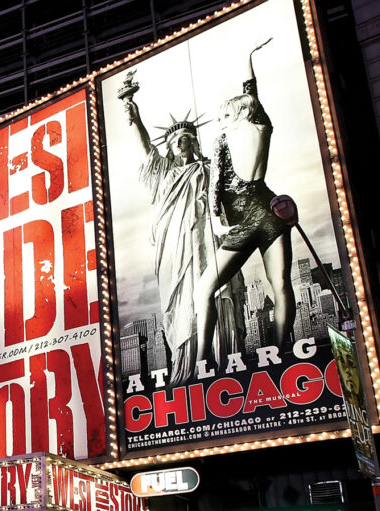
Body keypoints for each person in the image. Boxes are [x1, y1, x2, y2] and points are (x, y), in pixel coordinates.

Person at [197, 37, 294, 363]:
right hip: (270, 210)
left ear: (239, 112)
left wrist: (214, 219)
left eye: (225, 112)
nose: (220, 117)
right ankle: (282, 353)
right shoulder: (261, 126)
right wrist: (247, 57)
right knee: (280, 285)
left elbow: (215, 185)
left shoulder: (225, 138)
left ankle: (201, 361)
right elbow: (251, 92)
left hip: (244, 221)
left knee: (203, 289)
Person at [124, 78, 213, 386]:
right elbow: (146, 147)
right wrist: (134, 116)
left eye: (186, 139)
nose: (180, 143)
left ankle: (207, 362)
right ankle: (182, 365)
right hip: (170, 245)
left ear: (193, 142)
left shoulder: (205, 170)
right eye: (175, 141)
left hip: (200, 240)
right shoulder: (163, 172)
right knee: (177, 304)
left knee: (200, 295)